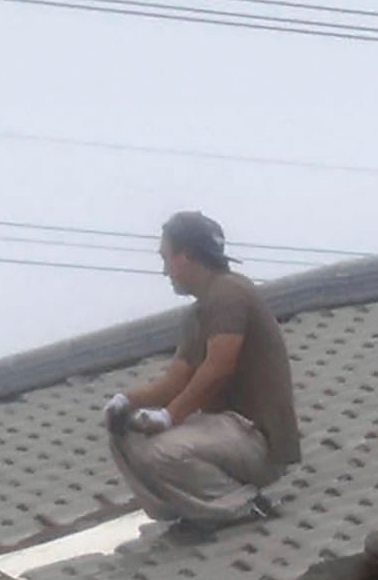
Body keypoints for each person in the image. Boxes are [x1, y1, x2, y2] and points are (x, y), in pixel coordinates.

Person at [103, 211, 298, 524]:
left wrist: (169, 416)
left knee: (164, 452)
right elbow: (173, 383)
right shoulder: (198, 314)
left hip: (257, 442)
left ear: (186, 256)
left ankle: (244, 505)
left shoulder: (229, 292)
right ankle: (189, 509)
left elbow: (218, 367)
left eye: (166, 258)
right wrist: (126, 401)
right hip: (226, 433)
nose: (165, 270)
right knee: (126, 435)